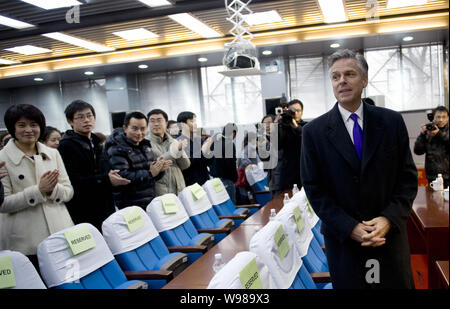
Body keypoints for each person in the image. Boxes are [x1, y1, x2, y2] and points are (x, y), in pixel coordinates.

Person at [300, 49, 418, 289]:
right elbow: (314, 188)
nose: (341, 81)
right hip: (345, 243)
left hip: (388, 237)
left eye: (349, 74)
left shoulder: (391, 122)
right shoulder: (314, 132)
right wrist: (349, 227)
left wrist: (388, 219)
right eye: (335, 77)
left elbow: (407, 179)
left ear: (364, 80)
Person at [0, 104, 74, 269]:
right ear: (12, 128)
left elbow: (68, 192)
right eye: (22, 125)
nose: (29, 130)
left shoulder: (52, 153)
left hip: (60, 232)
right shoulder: (2, 159)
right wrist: (37, 191)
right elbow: (3, 203)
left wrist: (52, 189)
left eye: (34, 125)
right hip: (24, 241)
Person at [58, 100, 130, 230]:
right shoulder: (66, 146)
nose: (86, 120)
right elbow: (74, 181)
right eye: (80, 117)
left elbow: (104, 169)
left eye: (89, 116)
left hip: (105, 205)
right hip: (84, 207)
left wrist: (111, 175)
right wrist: (106, 179)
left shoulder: (97, 142)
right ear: (70, 121)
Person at [105, 111, 171, 209]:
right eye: (134, 129)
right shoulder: (116, 148)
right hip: (129, 205)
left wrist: (160, 170)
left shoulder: (145, 146)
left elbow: (153, 176)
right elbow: (123, 176)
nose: (139, 133)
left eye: (143, 129)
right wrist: (150, 173)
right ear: (125, 128)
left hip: (149, 201)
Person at [147, 109, 191, 195]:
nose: (156, 124)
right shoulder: (145, 143)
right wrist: (174, 151)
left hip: (180, 188)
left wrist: (180, 151)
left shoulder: (174, 141)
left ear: (166, 123)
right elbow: (154, 165)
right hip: (161, 192)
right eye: (152, 121)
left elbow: (185, 165)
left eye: (159, 120)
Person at [269, 99, 306, 198]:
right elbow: (276, 145)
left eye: (298, 110)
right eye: (292, 110)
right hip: (285, 176)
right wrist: (276, 125)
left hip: (303, 173)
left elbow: (307, 141)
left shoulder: (305, 127)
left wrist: (295, 126)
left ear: (302, 112)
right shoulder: (283, 127)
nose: (295, 113)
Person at [413, 106, 449, 188]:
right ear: (433, 118)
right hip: (432, 177)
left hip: (448, 175)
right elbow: (418, 151)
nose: (441, 120)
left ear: (448, 118)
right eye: (438, 117)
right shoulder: (428, 131)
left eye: (444, 117)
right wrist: (422, 135)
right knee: (432, 200)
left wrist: (439, 133)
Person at [177, 111, 212, 186]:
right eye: (192, 121)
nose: (195, 124)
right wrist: (202, 151)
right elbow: (187, 164)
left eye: (195, 121)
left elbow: (208, 162)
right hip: (191, 184)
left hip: (205, 181)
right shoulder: (178, 142)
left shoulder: (198, 139)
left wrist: (208, 151)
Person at [209, 123, 238, 204]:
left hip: (215, 180)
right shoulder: (229, 144)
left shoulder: (214, 143)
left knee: (223, 205)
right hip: (227, 179)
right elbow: (231, 164)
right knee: (231, 204)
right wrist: (235, 178)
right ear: (233, 133)